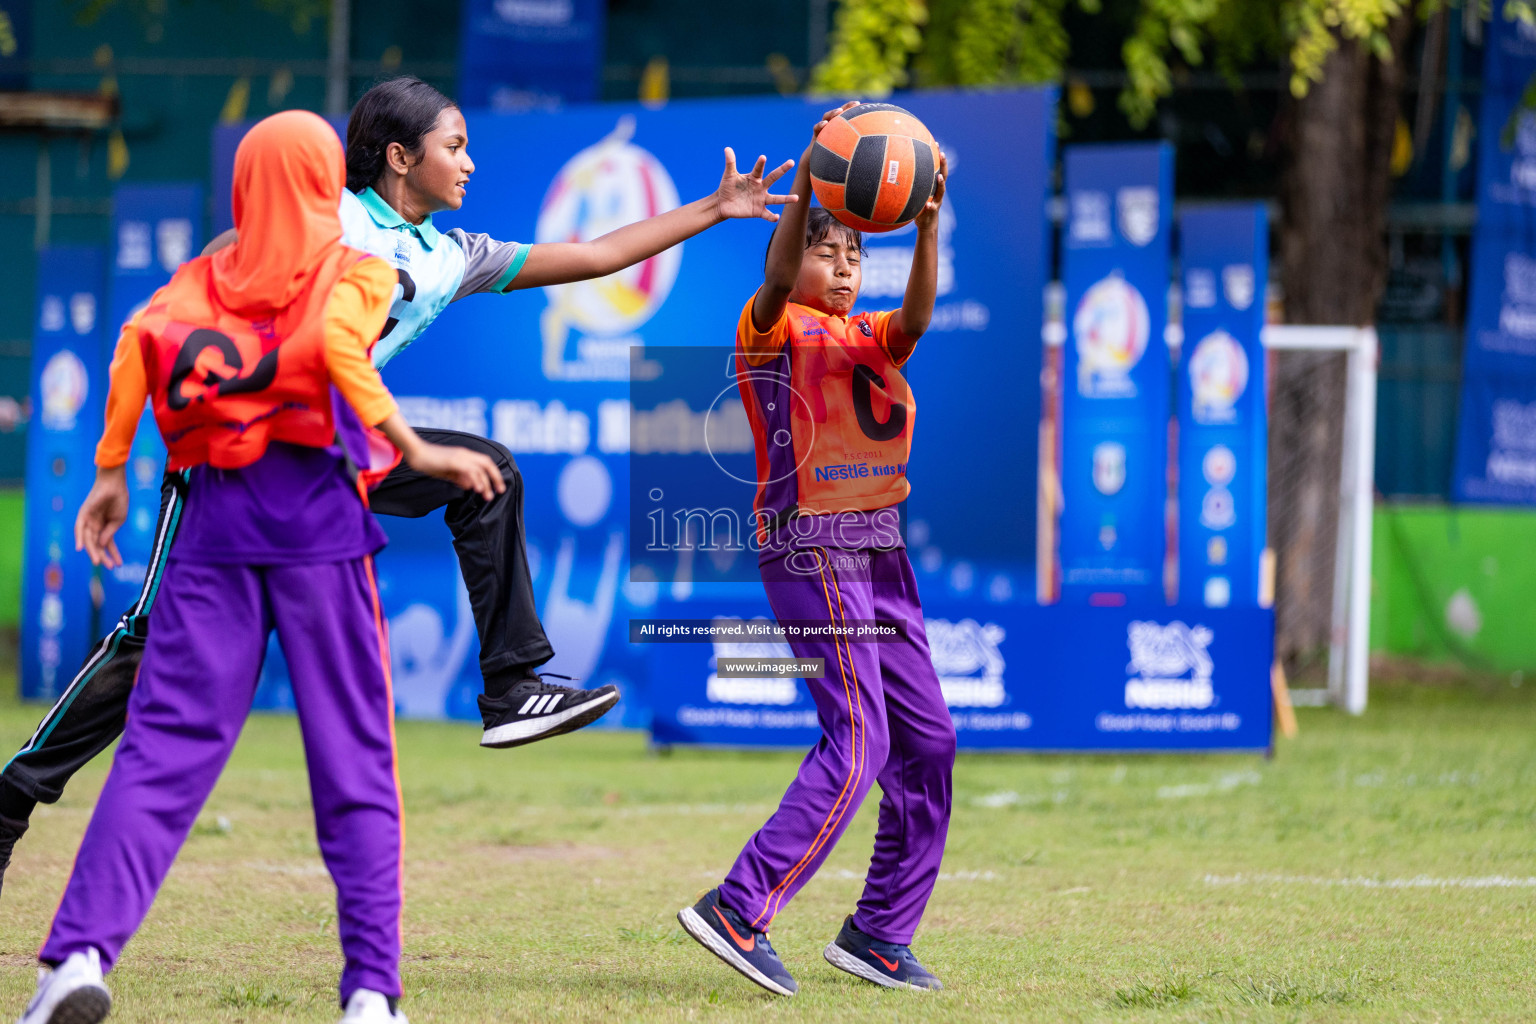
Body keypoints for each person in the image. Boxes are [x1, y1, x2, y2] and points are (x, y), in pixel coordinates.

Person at [0, 76, 796, 896]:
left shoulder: (453, 256)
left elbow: (593, 258)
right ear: (398, 157)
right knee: (151, 641)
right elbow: (180, 308)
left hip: (334, 454)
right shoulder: (322, 219)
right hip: (231, 463)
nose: (470, 164)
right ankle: (12, 795)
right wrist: (115, 461)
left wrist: (714, 208)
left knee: (486, 476)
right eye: (455, 147)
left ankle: (513, 690)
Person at [17, 110, 500, 1024]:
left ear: (246, 187)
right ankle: (369, 995)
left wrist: (113, 471)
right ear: (327, 183)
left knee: (159, 758)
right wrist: (418, 451)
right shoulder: (357, 270)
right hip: (319, 524)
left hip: (213, 531)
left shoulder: (196, 281)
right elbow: (337, 353)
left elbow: (133, 346)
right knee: (354, 761)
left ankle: (77, 960)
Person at [676, 103, 954, 995]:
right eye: (827, 254)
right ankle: (739, 905)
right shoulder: (771, 330)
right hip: (813, 543)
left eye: (853, 254)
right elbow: (773, 275)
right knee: (861, 735)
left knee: (928, 741)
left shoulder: (871, 336)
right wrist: (808, 181)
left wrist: (927, 226)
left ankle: (877, 934)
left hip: (880, 549)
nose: (841, 267)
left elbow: (917, 312)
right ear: (795, 262)